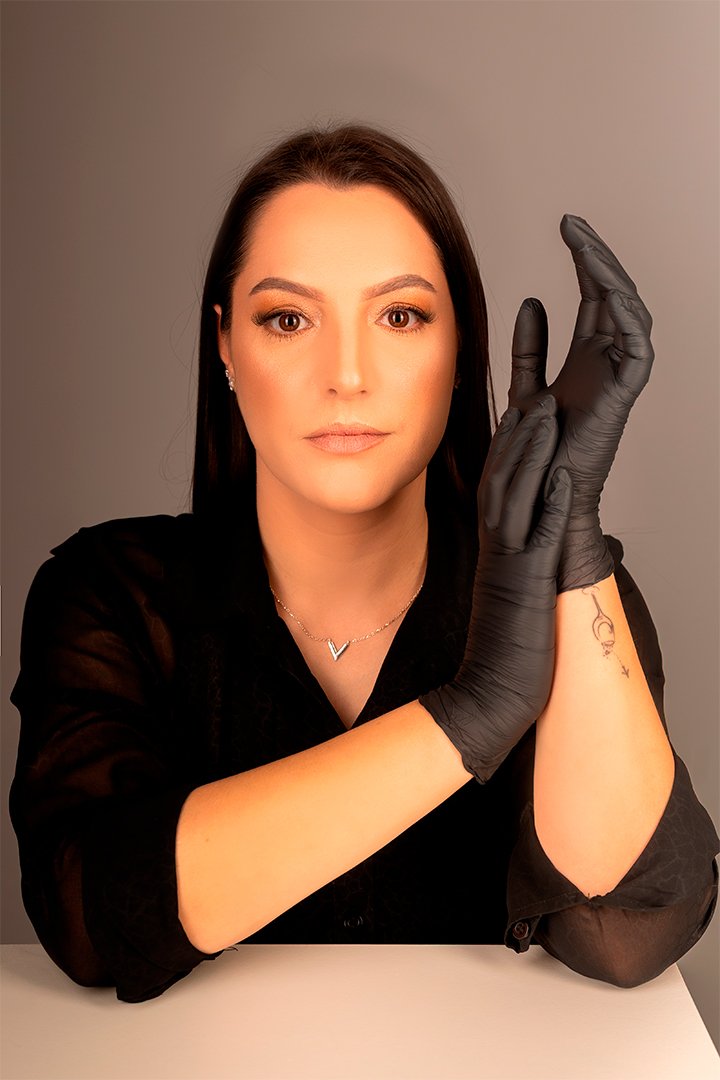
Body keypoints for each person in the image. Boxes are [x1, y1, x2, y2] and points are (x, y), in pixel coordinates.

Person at [9, 124, 718, 1004]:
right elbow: (92, 918)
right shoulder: (111, 593)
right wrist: (471, 714)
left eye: (400, 316)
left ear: (459, 349)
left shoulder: (575, 597)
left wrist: (567, 533)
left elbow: (628, 930)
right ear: (226, 346)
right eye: (288, 319)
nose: (346, 374)